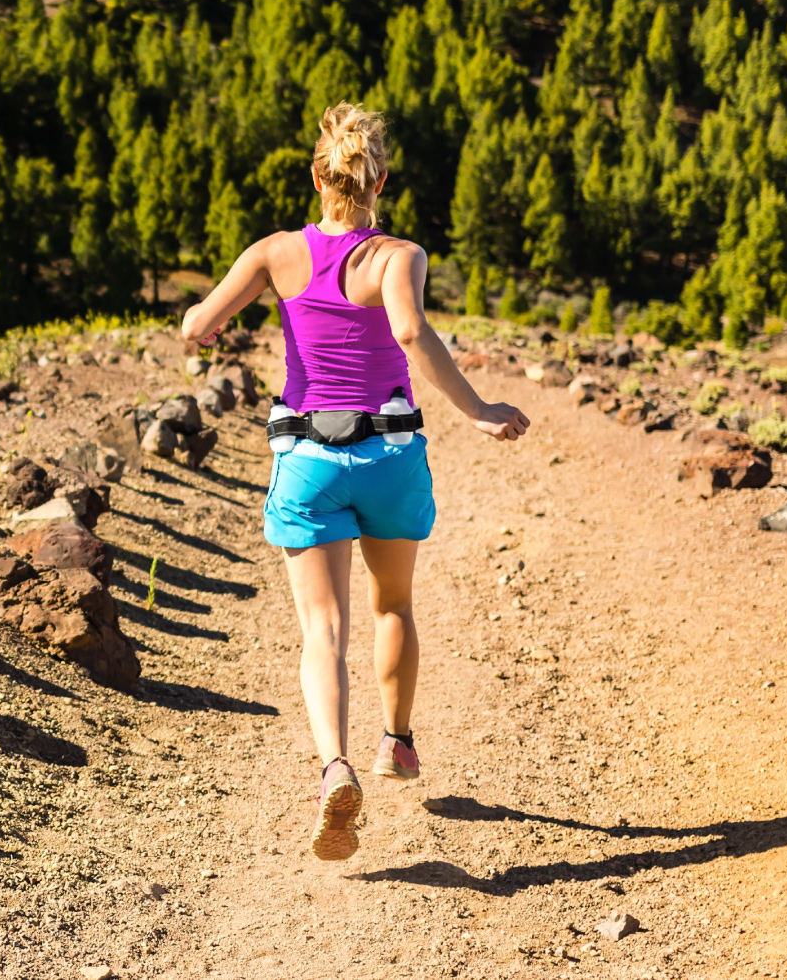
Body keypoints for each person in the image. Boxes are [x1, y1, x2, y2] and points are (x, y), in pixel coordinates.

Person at [181, 104, 530, 862]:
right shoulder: (399, 257)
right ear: (382, 179)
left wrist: (198, 322)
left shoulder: (274, 252)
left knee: (323, 629)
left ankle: (334, 765)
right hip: (389, 453)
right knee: (393, 604)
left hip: (306, 456)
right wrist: (475, 410)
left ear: (318, 177)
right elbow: (409, 332)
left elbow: (200, 325)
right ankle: (396, 744)